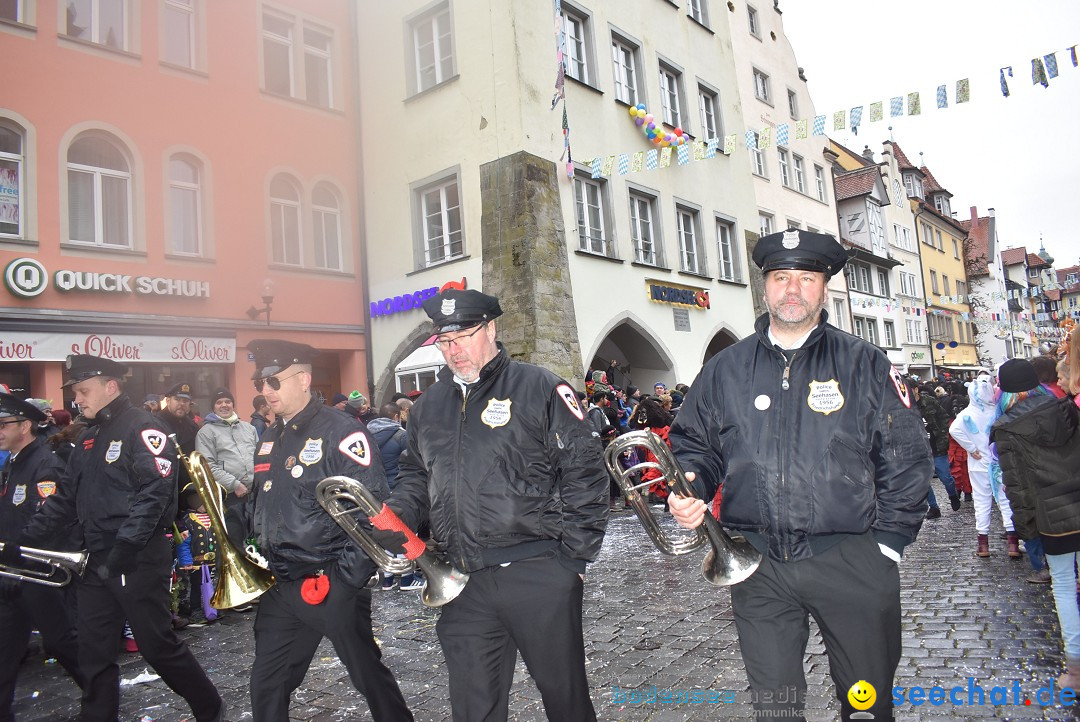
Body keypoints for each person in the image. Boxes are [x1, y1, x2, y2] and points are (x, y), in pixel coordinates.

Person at [667, 229, 931, 722]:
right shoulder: (725, 368)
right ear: (765, 287)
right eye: (781, 277)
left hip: (850, 558)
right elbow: (694, 444)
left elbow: (906, 456)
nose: (792, 289)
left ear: (823, 288)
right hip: (757, 562)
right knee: (775, 706)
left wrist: (887, 545)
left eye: (806, 278)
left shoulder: (864, 363)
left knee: (866, 702)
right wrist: (690, 486)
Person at [389, 288, 609, 722]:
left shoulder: (539, 386)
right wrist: (394, 516)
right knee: (474, 709)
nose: (455, 351)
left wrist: (573, 560)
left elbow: (584, 470)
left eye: (464, 337)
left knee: (565, 700)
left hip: (537, 569)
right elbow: (415, 474)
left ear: (490, 329)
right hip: (460, 578)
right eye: (445, 342)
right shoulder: (428, 406)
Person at [14, 354, 224, 722]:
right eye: (75, 391)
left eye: (83, 390)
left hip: (136, 556)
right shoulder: (89, 437)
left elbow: (155, 491)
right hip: (95, 557)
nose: (77, 398)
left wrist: (126, 546)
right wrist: (23, 542)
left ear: (110, 386)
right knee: (94, 650)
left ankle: (208, 706)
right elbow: (64, 498)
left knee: (156, 645)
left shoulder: (142, 426)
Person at [237, 340, 413, 722]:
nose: (265, 391)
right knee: (268, 681)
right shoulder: (270, 436)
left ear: (303, 379)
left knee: (367, 675)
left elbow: (371, 510)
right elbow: (263, 499)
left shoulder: (340, 431)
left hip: (328, 578)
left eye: (273, 382)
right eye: (260, 384)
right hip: (283, 582)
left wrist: (343, 578)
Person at [991, 358, 1080, 688]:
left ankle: (1075, 669)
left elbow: (1017, 488)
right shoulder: (1067, 408)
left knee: (1065, 589)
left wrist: (1027, 534)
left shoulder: (1007, 429)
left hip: (1052, 519)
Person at [0, 393, 84, 720]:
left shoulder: (44, 462)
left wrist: (16, 558)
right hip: (12, 574)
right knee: (5, 651)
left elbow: (46, 520)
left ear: (25, 425)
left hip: (36, 573)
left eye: (4, 424)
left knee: (62, 643)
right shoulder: (13, 461)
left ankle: (100, 691)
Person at [949, 376, 1020, 562]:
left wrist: (971, 448)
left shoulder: (968, 413)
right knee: (1005, 501)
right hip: (999, 463)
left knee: (981, 503)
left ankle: (983, 544)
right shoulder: (998, 411)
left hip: (978, 466)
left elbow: (954, 430)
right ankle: (1013, 543)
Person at [195, 388, 257, 509]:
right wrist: (235, 485)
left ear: (233, 405)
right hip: (230, 496)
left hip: (256, 493)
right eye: (219, 402)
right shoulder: (206, 433)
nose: (224, 405)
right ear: (213, 407)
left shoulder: (249, 428)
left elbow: (261, 458)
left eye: (228, 401)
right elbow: (208, 466)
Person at [911, 384, 961, 518]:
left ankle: (953, 495)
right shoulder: (905, 407)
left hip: (937, 447)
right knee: (923, 481)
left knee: (945, 477)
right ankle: (934, 508)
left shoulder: (929, 402)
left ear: (915, 390)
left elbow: (944, 417)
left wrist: (941, 433)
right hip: (918, 450)